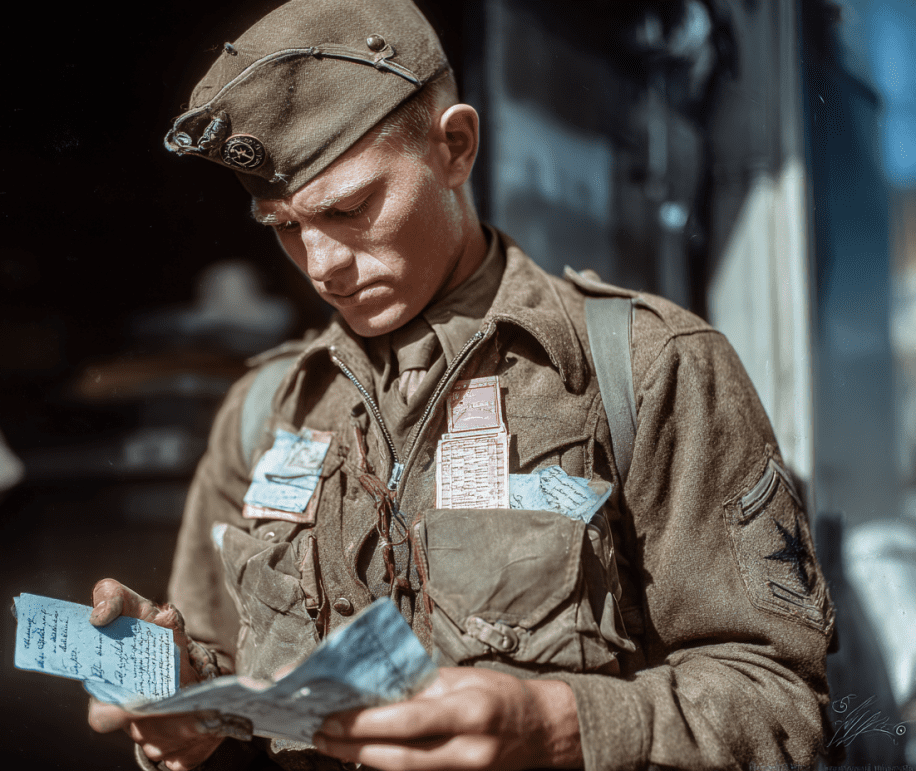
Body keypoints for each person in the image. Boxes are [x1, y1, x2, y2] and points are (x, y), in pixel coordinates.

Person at [87, 2, 835, 770]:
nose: (321, 264)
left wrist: (562, 724)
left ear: (455, 147)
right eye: (283, 224)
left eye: (349, 208)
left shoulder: (645, 369)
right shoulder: (266, 410)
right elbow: (222, 669)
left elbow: (780, 701)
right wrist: (182, 695)